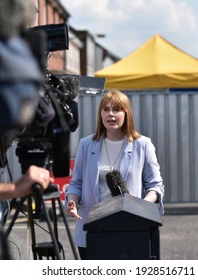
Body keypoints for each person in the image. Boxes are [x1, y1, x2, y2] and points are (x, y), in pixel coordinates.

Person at [65, 89, 165, 259]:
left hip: (130, 230)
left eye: (116, 109)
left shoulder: (143, 144)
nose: (110, 114)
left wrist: (139, 206)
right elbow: (76, 183)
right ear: (100, 114)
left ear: (126, 114)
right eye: (106, 109)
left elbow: (155, 186)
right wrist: (72, 201)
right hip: (92, 229)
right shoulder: (86, 144)